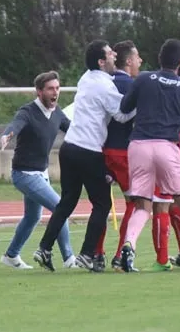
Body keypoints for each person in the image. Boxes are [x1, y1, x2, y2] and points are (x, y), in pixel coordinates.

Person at [117, 38, 180, 273]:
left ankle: (129, 244)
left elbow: (124, 108)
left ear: (159, 59)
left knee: (142, 206)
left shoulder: (143, 79)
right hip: (167, 147)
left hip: (139, 144)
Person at [33, 40, 134, 272]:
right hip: (89, 150)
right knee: (102, 203)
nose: (114, 55)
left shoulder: (86, 77)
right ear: (101, 61)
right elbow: (121, 115)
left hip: (69, 148)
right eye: (110, 53)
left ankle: (44, 248)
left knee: (67, 201)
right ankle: (87, 254)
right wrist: (142, 104)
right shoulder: (105, 86)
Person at [0, 71, 78, 270]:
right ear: (39, 91)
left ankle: (11, 256)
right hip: (23, 174)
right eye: (50, 88)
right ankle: (69, 258)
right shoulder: (27, 111)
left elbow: (76, 131)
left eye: (58, 88)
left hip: (41, 174)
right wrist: (7, 135)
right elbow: (16, 124)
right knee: (60, 207)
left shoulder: (57, 113)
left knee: (33, 217)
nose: (55, 92)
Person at [101, 40, 142, 272]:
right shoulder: (131, 84)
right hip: (123, 151)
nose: (140, 62)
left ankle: (97, 254)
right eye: (137, 58)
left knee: (101, 206)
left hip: (100, 150)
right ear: (128, 61)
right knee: (134, 204)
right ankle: (120, 256)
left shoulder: (102, 81)